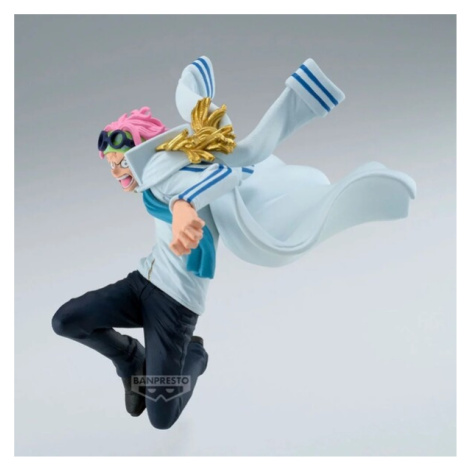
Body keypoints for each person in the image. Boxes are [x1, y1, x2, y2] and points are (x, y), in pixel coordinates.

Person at [52, 55, 416, 430]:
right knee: (67, 320)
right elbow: (211, 172)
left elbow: (211, 181)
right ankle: (131, 359)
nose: (116, 172)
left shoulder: (166, 172)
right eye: (110, 164)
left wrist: (183, 208)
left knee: (162, 416)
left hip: (175, 304)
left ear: (141, 151)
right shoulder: (166, 169)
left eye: (120, 162)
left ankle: (195, 355)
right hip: (142, 282)